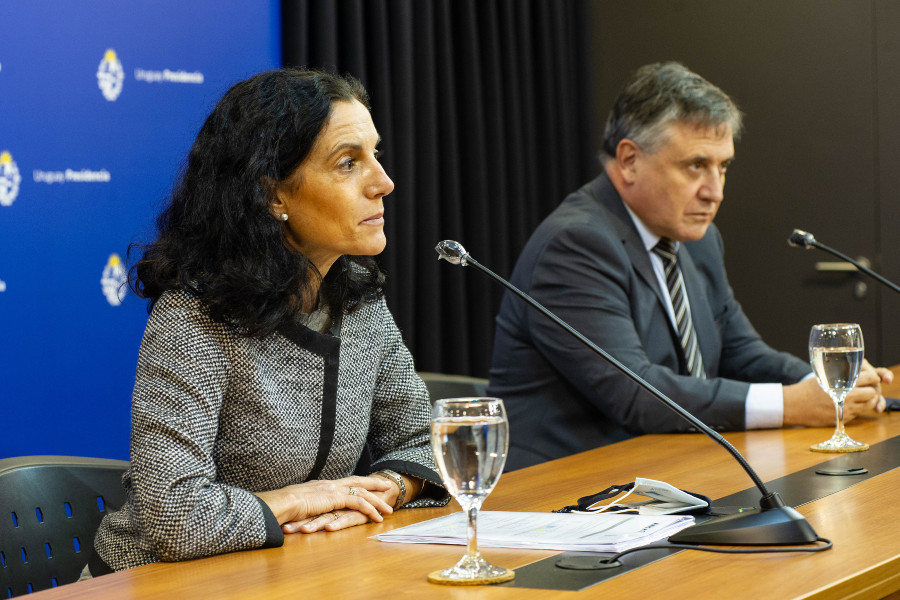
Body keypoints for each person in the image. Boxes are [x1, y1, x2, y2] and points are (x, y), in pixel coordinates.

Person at [89, 68, 448, 575]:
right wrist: (299, 501)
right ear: (273, 195)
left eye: (376, 155)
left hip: (291, 572)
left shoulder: (357, 299)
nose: (383, 183)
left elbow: (428, 441)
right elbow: (173, 514)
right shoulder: (196, 315)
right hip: (155, 581)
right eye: (348, 163)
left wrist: (386, 488)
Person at [487, 62, 892, 471]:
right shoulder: (575, 244)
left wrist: (826, 386)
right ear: (629, 160)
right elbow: (637, 393)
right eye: (695, 165)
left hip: (666, 471)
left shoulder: (696, 238)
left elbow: (740, 351)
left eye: (723, 167)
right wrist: (791, 405)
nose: (714, 192)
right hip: (563, 491)